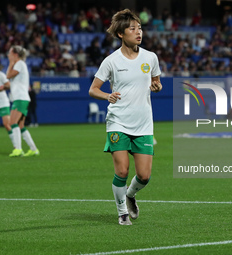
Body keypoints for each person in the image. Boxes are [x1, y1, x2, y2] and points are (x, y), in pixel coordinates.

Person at [89, 9, 162, 225]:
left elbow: (156, 82)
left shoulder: (151, 57)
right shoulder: (111, 61)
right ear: (121, 33)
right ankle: (122, 213)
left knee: (144, 176)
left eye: (139, 28)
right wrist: (107, 95)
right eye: (133, 29)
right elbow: (93, 89)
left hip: (143, 123)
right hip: (118, 121)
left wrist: (156, 86)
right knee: (121, 169)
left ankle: (130, 195)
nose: (138, 32)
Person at [7, 45, 39, 157]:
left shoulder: (19, 64)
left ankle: (18, 149)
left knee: (12, 123)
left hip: (20, 98)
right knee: (20, 126)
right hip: (21, 97)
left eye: (10, 53)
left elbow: (8, 75)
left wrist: (11, 63)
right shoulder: (20, 64)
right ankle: (33, 149)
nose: (8, 55)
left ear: (15, 54)